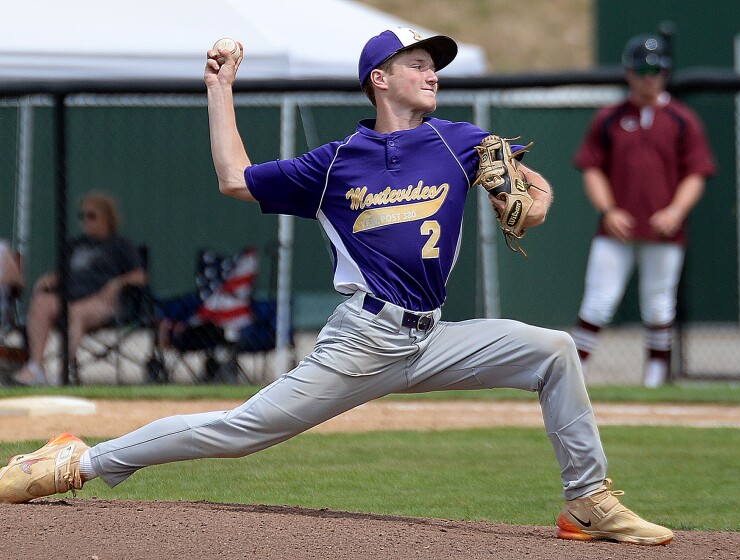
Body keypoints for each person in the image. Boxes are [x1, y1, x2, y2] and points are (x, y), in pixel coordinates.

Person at [0, 29, 673, 546]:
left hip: (432, 337)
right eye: (416, 64)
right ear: (379, 80)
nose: (430, 71)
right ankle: (78, 461)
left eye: (432, 63)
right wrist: (220, 88)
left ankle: (587, 502)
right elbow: (235, 177)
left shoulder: (459, 140)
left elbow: (535, 188)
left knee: (553, 351)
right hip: (364, 340)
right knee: (242, 430)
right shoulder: (336, 164)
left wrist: (529, 198)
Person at [570, 34, 717, 388]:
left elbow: (696, 173)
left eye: (658, 70)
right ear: (629, 73)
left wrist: (675, 212)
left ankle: (654, 380)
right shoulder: (609, 118)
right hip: (617, 228)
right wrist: (608, 210)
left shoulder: (682, 119)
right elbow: (591, 168)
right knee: (597, 303)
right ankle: (571, 377)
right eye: (643, 70)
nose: (650, 78)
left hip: (664, 230)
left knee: (659, 305)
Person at [11, 192, 147, 385]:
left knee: (76, 312)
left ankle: (63, 374)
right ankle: (36, 368)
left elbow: (140, 276)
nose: (85, 221)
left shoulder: (121, 245)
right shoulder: (76, 244)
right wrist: (51, 279)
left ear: (107, 218)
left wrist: (117, 283)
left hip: (102, 302)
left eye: (92, 216)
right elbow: (65, 273)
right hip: (70, 297)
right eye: (82, 216)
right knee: (42, 303)